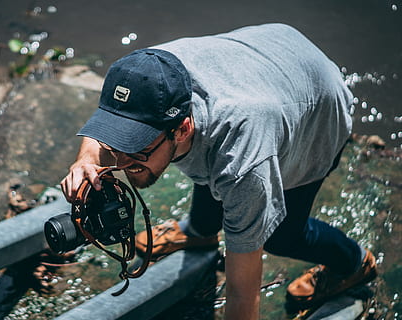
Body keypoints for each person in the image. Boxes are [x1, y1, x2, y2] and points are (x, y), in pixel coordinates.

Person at [60, 23, 377, 319]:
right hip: (267, 51)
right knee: (207, 171)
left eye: (137, 149)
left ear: (182, 128)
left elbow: (242, 293)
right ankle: (200, 233)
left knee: (280, 234)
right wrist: (86, 160)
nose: (121, 163)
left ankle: (354, 263)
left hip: (317, 100)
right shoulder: (143, 76)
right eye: (118, 140)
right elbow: (108, 118)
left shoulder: (243, 164)